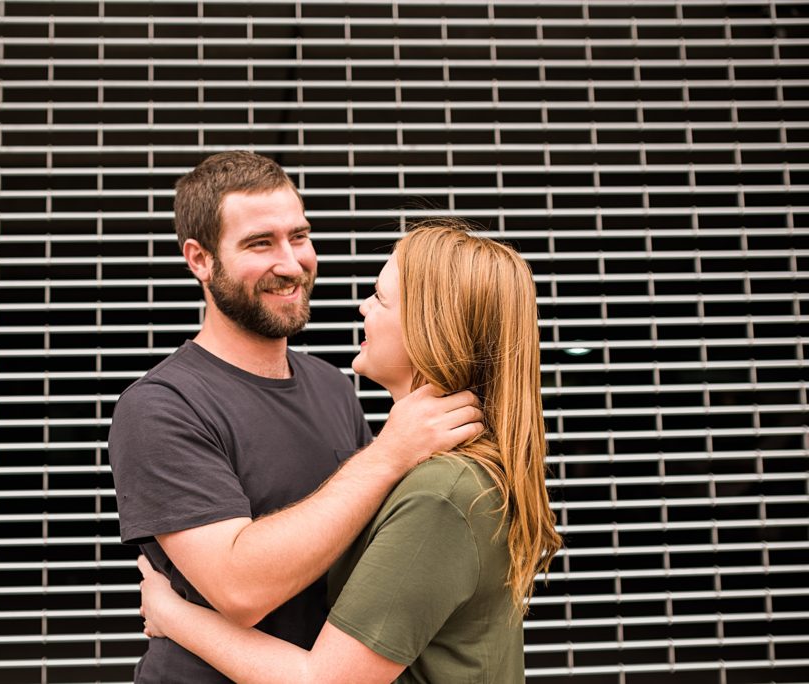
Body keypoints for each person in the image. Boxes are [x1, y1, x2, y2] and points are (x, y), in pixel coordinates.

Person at [107, 152, 483, 682]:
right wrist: (390, 453)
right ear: (200, 259)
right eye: (260, 243)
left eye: (299, 236)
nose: (291, 263)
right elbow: (241, 590)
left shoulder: (333, 386)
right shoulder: (162, 406)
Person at [137, 218, 564, 683]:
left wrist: (171, 613)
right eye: (260, 242)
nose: (362, 307)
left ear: (428, 327)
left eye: (379, 297)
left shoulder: (443, 493)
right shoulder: (427, 468)